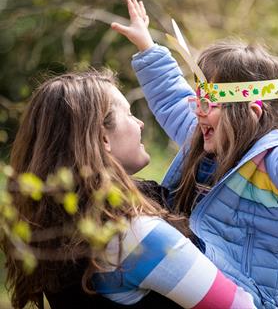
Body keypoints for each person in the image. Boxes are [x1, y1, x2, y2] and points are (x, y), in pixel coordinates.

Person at [112, 0, 278, 309]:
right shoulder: (205, 135)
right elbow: (172, 97)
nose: (197, 112)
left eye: (208, 104)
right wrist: (147, 46)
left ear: (251, 113)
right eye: (198, 99)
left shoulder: (272, 159)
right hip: (203, 271)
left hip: (248, 290)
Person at [1, 70, 255, 309]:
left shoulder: (52, 228)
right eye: (130, 114)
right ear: (103, 139)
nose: (140, 123)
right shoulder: (137, 238)